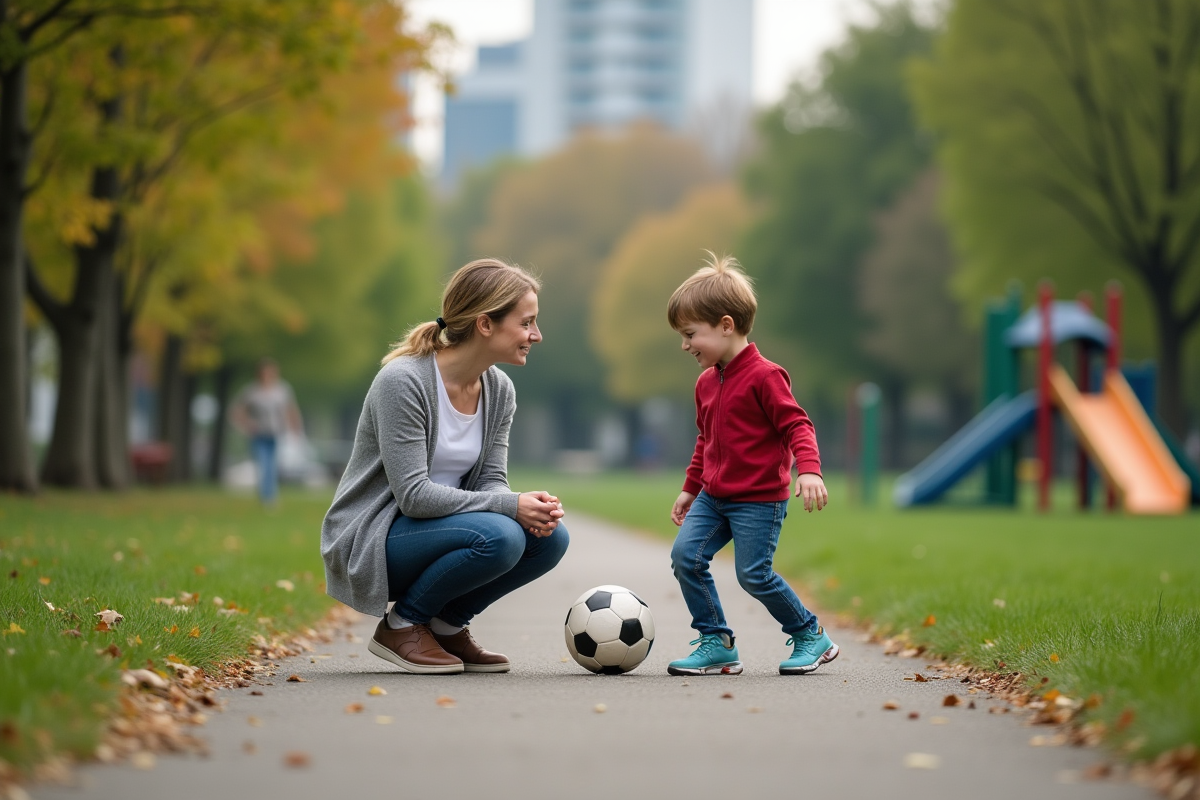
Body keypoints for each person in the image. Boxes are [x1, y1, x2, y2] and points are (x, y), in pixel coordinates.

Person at [321, 258, 568, 675]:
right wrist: (510, 506)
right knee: (503, 535)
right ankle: (401, 626)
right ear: (485, 324)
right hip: (374, 536)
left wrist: (525, 505)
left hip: (437, 532)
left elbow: (490, 480)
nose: (536, 335)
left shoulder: (498, 389)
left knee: (550, 538)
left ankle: (446, 625)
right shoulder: (404, 381)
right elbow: (414, 497)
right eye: (527, 323)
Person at [664, 253, 835, 677]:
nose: (685, 345)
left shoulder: (765, 376)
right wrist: (690, 487)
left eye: (690, 334)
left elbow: (798, 424)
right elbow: (706, 438)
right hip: (713, 496)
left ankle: (810, 635)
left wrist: (809, 469)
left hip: (758, 499)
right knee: (686, 556)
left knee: (753, 574)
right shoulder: (706, 382)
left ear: (725, 325)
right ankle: (716, 641)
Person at [231, 358, 303, 506]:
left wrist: (296, 428)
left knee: (273, 466)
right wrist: (248, 425)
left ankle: (270, 496)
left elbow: (290, 409)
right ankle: (266, 496)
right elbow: (237, 411)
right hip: (259, 435)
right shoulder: (252, 391)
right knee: (264, 464)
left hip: (276, 433)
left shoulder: (282, 389)